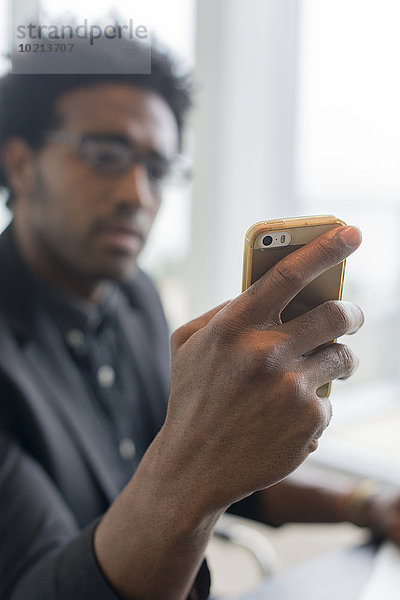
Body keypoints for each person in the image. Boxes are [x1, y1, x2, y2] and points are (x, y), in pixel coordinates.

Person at [0, 35, 392, 600]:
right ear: (19, 162)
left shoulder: (133, 298)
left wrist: (362, 503)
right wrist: (200, 458)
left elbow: (211, 459)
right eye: (106, 154)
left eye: (157, 168)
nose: (138, 194)